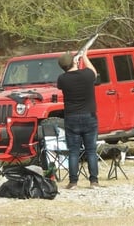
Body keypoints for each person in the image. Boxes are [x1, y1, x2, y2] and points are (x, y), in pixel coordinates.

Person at [57, 49, 99, 189]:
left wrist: (77, 60)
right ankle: (94, 181)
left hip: (71, 117)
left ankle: (73, 182)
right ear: (74, 61)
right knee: (91, 150)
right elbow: (93, 71)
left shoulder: (62, 79)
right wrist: (85, 56)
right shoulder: (87, 75)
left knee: (73, 151)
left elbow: (69, 77)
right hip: (89, 116)